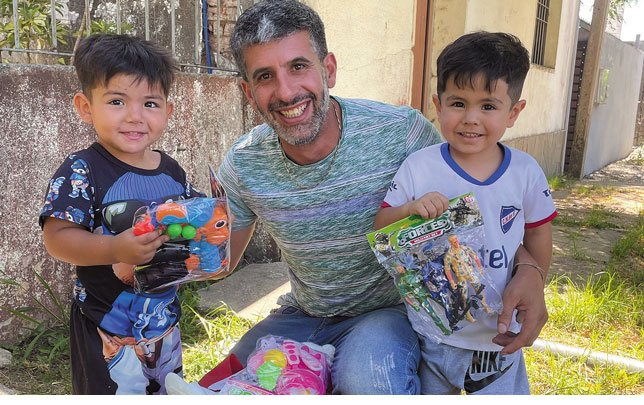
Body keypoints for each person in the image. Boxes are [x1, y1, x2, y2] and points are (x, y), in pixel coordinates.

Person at [217, 0, 548, 394]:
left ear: (329, 69)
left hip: (386, 314)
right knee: (223, 386)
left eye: (299, 66)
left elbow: (480, 213)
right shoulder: (244, 163)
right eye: (265, 76)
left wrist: (531, 272)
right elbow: (219, 261)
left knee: (368, 384)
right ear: (248, 91)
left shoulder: (403, 133)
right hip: (303, 314)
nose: (286, 91)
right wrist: (161, 255)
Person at [374, 31, 557, 394]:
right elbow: (381, 229)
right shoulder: (419, 167)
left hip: (499, 338)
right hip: (432, 333)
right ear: (437, 105)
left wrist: (535, 281)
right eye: (458, 103)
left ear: (514, 112)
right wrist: (411, 210)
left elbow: (538, 233)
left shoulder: (525, 172)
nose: (471, 118)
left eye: (488, 106)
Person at [39, 34, 203, 394]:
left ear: (168, 111)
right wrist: (115, 249)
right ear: (85, 107)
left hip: (163, 323)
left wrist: (209, 224)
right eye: (116, 101)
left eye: (150, 103)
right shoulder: (82, 169)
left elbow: (195, 213)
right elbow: (57, 238)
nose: (135, 116)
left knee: (165, 390)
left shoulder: (171, 170)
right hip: (105, 330)